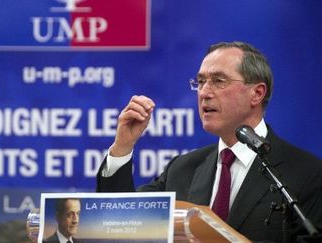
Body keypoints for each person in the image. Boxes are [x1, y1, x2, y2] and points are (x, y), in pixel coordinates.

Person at [96, 41, 322, 242]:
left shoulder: (306, 173)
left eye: (219, 81)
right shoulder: (182, 169)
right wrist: (123, 146)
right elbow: (119, 222)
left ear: (257, 93)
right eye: (201, 81)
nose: (204, 92)